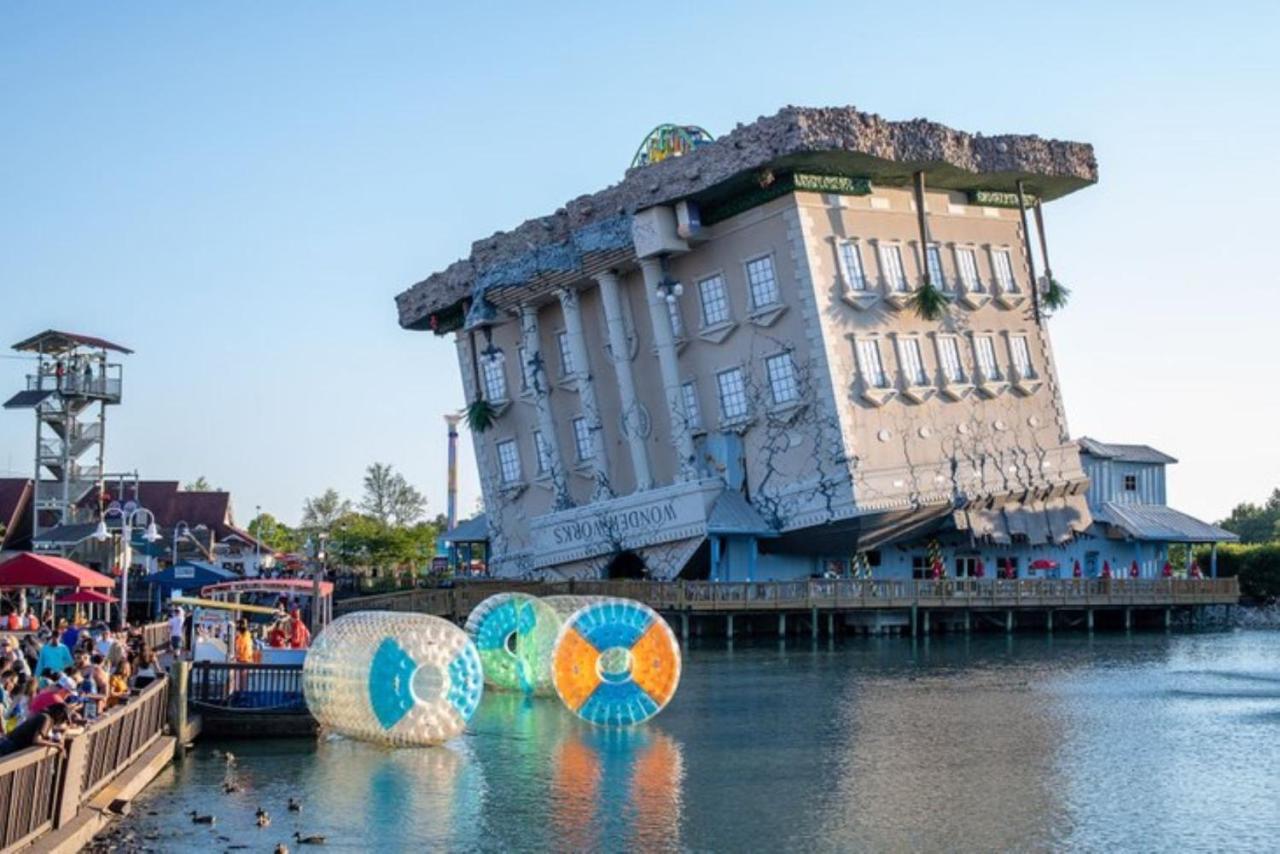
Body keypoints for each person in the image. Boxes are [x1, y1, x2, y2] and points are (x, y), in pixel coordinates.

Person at [0, 702, 71, 756]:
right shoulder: (46, 719)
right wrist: (56, 745)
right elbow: (37, 740)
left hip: (8, 744)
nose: (63, 721)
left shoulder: (45, 717)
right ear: (59, 714)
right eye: (64, 718)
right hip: (8, 746)